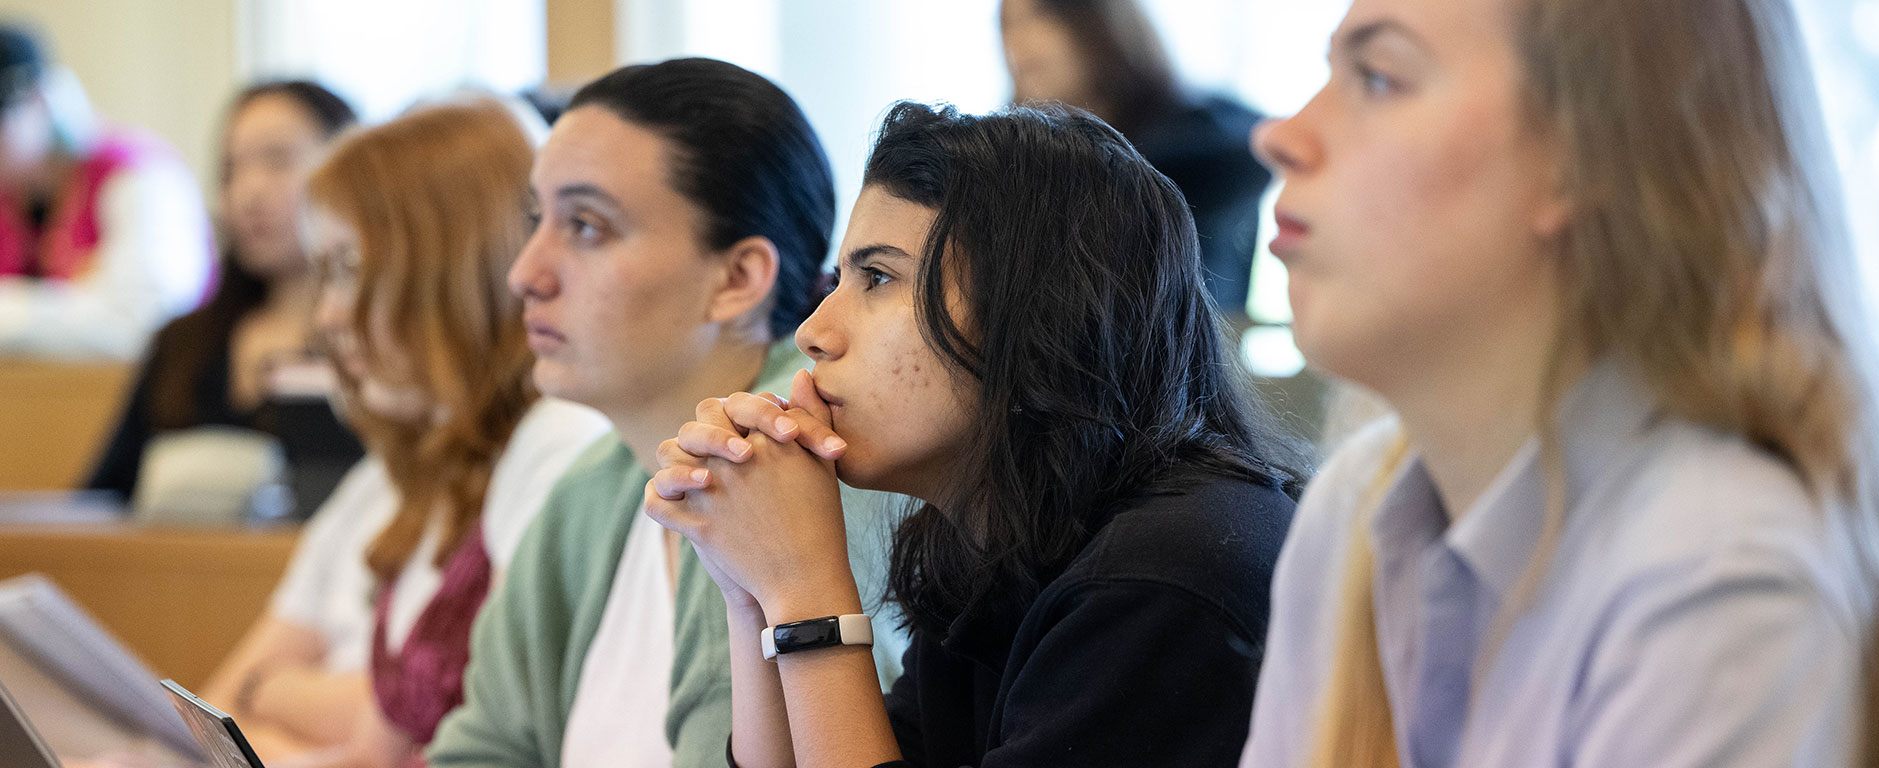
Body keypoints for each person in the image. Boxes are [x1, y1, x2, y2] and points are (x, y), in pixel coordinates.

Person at [1236, 0, 1879, 765]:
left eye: (1380, 77)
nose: (1280, 135)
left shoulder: (1717, 572)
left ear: (1588, 154)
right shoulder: (1360, 508)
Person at [645, 101, 1311, 768]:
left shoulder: (1164, 578)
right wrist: (752, 590)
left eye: (877, 278)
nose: (813, 332)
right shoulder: (999, 545)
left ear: (1037, 311)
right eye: (838, 279)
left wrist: (806, 588)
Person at [426, 59, 907, 768]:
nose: (525, 273)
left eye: (586, 227)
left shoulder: (810, 471)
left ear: (737, 279)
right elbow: (482, 751)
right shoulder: (591, 487)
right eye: (538, 220)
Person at [198, 98, 608, 764]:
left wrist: (275, 696)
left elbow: (414, 735)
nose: (327, 316)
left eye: (350, 269)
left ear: (447, 267)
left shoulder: (555, 446)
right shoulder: (390, 473)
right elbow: (217, 713)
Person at [86, 80, 361, 509]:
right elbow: (102, 497)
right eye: (231, 170)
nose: (249, 192)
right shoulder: (182, 341)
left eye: (278, 161)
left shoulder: (370, 344)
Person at [999, 0, 1270, 313]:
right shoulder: (1015, 155)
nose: (1020, 40)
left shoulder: (1199, 131)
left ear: (1100, 20)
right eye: (1007, 23)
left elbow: (1258, 150)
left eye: (1043, 16)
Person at [0, 23, 213, 358]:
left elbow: (148, 318)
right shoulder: (11, 196)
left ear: (40, 101)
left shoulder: (140, 176)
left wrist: (13, 313)